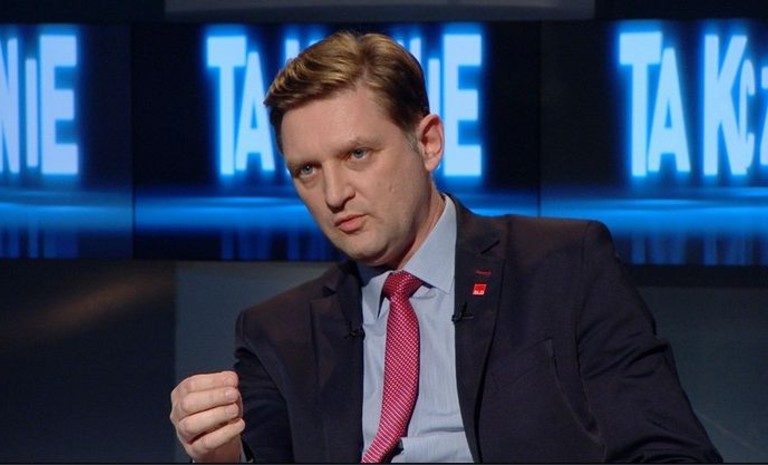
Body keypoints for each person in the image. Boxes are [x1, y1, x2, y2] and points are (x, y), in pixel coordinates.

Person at [170, 30, 722, 463]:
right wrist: (221, 457)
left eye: (358, 154)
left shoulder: (562, 266)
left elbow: (670, 453)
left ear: (428, 142)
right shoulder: (277, 334)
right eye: (307, 170)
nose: (334, 194)